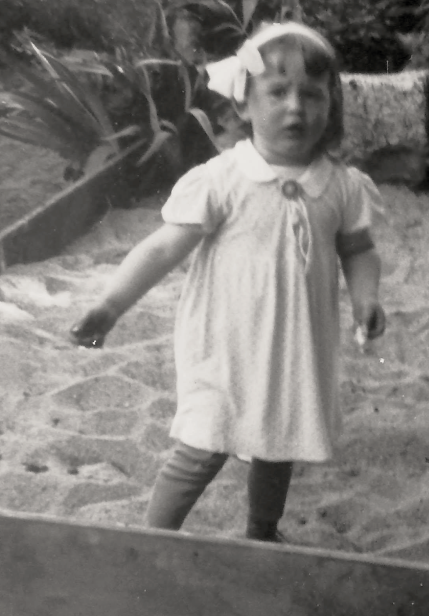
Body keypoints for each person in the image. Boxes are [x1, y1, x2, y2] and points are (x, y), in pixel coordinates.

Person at [69, 22, 386, 542]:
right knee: (203, 444)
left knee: (280, 440)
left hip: (295, 348)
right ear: (243, 103)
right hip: (225, 347)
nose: (295, 108)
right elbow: (161, 248)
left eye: (312, 94)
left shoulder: (342, 186)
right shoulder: (223, 180)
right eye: (277, 92)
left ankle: (261, 530)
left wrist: (366, 297)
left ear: (331, 105)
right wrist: (110, 304)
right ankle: (157, 537)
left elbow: (358, 249)